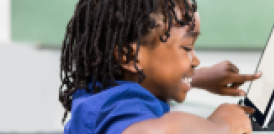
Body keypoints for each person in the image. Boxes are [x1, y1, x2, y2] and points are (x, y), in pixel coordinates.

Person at [59, 0, 262, 134]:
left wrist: (197, 77)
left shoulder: (99, 89)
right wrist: (220, 126)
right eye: (186, 48)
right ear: (129, 56)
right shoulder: (122, 105)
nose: (196, 60)